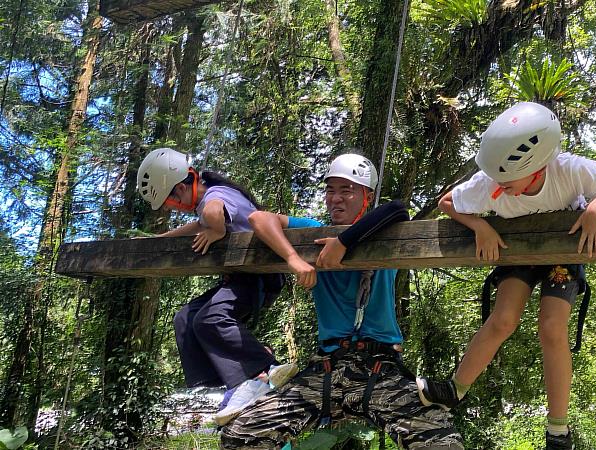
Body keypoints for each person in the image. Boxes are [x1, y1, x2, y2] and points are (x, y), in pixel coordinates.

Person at [415, 102, 596, 449]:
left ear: (537, 166)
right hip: (521, 253)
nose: (498, 188)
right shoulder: (490, 184)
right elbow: (447, 203)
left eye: (507, 180)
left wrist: (595, 207)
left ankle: (558, 428)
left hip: (561, 254)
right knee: (503, 320)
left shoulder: (569, 170)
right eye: (496, 179)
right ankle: (454, 390)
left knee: (551, 327)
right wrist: (480, 225)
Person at [220, 153, 464, 449]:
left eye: (346, 190)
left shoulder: (385, 235)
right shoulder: (313, 231)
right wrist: (294, 258)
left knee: (442, 443)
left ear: (366, 196)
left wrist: (344, 243)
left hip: (380, 367)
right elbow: (259, 218)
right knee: (241, 434)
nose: (335, 198)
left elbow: (397, 209)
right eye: (330, 190)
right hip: (327, 367)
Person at [136, 147, 298, 426]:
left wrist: (217, 230)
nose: (175, 208)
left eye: (172, 202)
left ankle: (264, 369)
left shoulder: (215, 194)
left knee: (210, 318)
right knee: (186, 319)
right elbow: (195, 225)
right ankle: (232, 381)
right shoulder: (208, 198)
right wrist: (157, 239)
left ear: (180, 186)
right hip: (238, 278)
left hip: (257, 277)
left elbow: (213, 212)